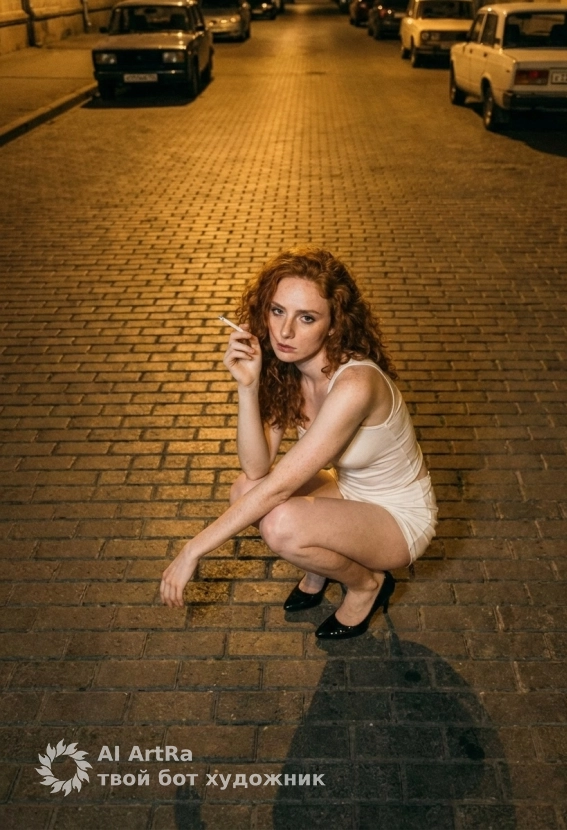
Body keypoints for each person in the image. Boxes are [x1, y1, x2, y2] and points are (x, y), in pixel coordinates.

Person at [160, 248, 438, 639]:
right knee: (245, 489)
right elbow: (257, 468)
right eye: (277, 311)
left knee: (281, 524)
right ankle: (319, 568)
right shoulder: (289, 368)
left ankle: (367, 585)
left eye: (306, 318)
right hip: (349, 490)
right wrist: (248, 386)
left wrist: (194, 549)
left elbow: (280, 487)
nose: (285, 332)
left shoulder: (356, 384)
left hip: (398, 515)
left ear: (334, 325)